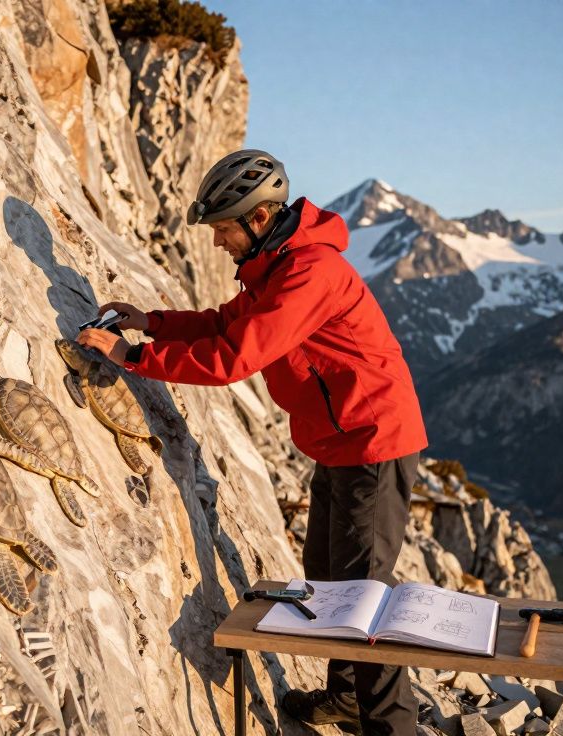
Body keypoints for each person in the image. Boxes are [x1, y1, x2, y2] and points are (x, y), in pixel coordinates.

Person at [76, 149, 428, 735]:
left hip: (375, 442)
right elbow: (224, 324)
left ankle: (394, 728)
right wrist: (152, 322)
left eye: (222, 229)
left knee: (364, 600)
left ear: (259, 219)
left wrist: (132, 357)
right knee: (330, 581)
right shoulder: (275, 265)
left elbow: (234, 356)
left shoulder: (310, 272)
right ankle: (346, 700)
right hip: (340, 441)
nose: (216, 243)